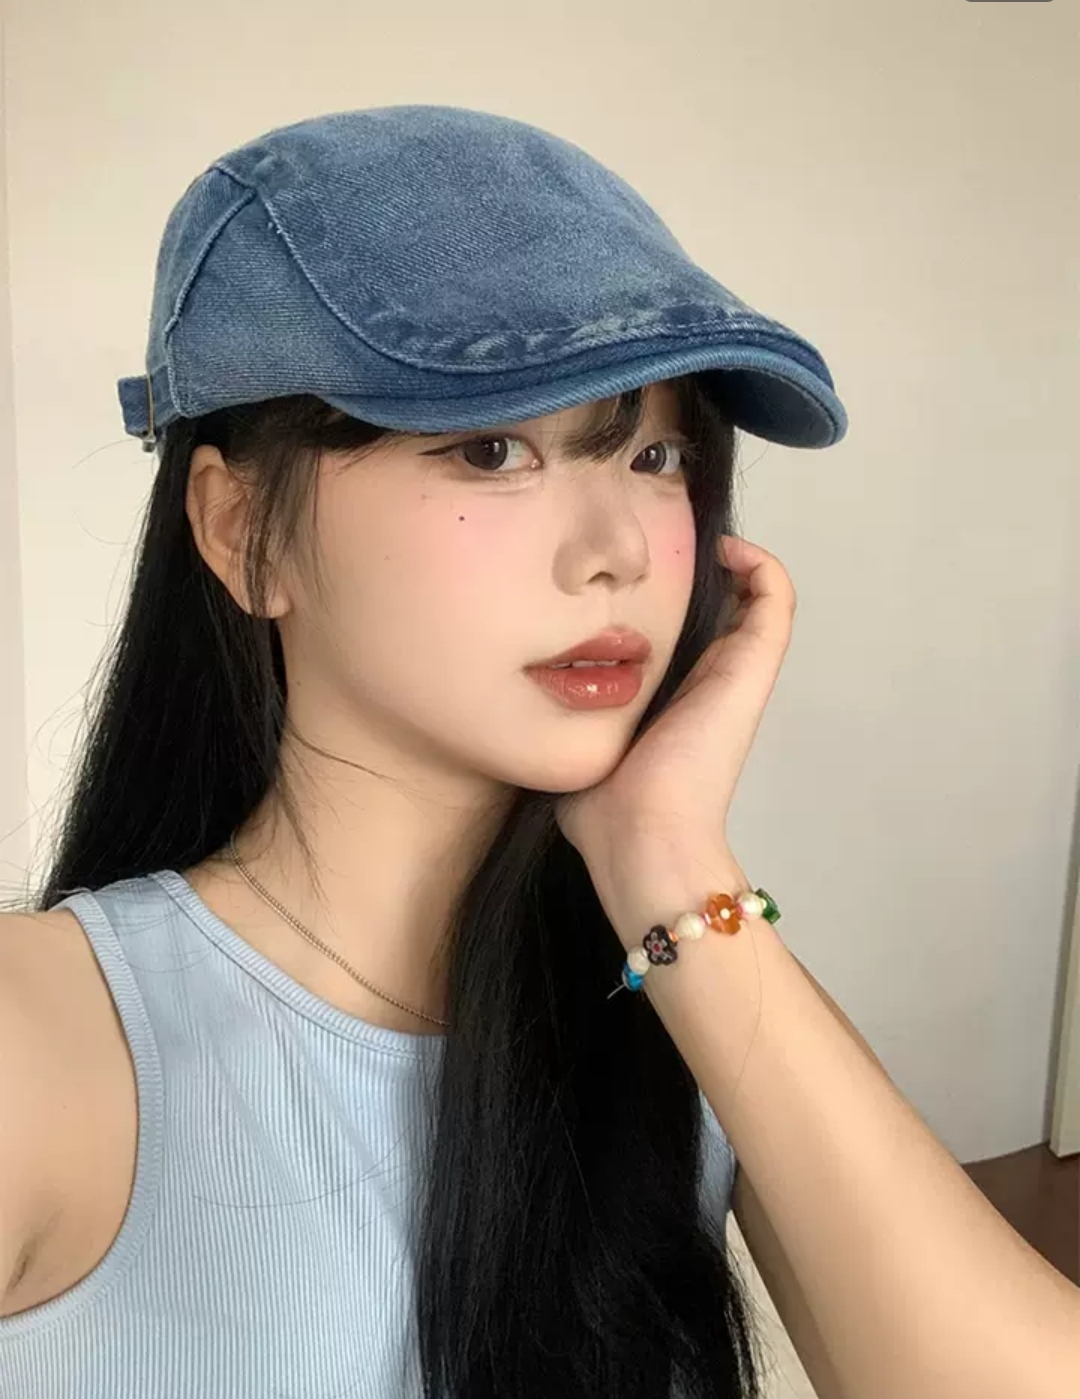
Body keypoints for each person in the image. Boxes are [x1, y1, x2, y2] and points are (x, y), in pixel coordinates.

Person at [0, 105, 1075, 1399]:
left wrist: (666, 856)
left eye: (657, 454)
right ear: (242, 532)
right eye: (493, 449)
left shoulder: (690, 969)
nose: (616, 552)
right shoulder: (45, 1042)